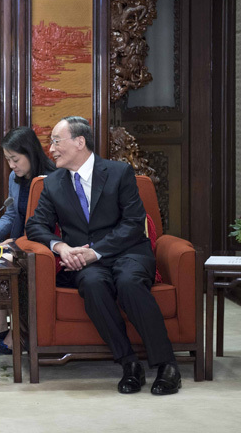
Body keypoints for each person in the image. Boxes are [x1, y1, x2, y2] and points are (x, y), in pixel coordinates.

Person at [25, 116, 181, 395]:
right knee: (92, 284)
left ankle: (167, 364)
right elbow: (35, 225)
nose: (52, 149)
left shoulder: (119, 173)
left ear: (79, 142)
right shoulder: (53, 183)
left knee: (129, 282)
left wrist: (95, 252)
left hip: (128, 252)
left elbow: (133, 224)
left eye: (56, 141)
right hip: (85, 262)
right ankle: (129, 363)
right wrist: (61, 248)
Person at [0, 126, 55, 354]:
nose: (11, 165)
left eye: (15, 159)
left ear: (30, 153)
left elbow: (48, 226)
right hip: (19, 243)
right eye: (8, 160)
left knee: (4, 264)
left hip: (40, 247)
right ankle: (0, 328)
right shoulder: (14, 178)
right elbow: (10, 215)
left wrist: (16, 243)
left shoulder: (52, 179)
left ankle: (16, 336)